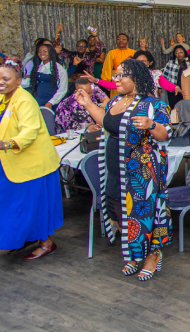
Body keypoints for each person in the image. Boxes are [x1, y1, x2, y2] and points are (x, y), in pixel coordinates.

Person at [76, 58, 172, 280]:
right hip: (114, 168)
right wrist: (88, 104)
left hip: (141, 173)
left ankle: (152, 255)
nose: (116, 80)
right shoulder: (114, 101)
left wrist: (151, 125)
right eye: (115, 75)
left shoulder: (153, 104)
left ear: (136, 78)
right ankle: (135, 253)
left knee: (142, 215)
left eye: (121, 76)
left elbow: (165, 135)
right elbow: (108, 123)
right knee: (118, 211)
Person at [0, 57, 63, 261]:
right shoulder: (4, 99)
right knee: (12, 205)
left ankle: (46, 243)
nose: (1, 82)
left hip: (33, 165)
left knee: (33, 206)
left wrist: (5, 144)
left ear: (18, 81)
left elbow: (29, 132)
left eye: (6, 79)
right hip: (11, 163)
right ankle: (25, 238)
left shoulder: (25, 100)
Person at [82, 50, 172, 97]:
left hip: (150, 105)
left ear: (149, 63)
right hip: (132, 105)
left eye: (143, 61)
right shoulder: (129, 75)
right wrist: (96, 80)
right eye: (138, 61)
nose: (140, 64)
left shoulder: (155, 74)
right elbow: (113, 84)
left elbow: (167, 85)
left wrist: (176, 88)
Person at [22, 43, 68, 110]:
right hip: (39, 100)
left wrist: (51, 102)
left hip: (52, 102)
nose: (42, 53)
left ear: (51, 53)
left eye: (45, 51)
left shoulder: (59, 69)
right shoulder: (38, 67)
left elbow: (63, 89)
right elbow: (31, 82)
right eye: (40, 51)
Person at [101, 33, 135, 97]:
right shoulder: (112, 52)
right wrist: (106, 81)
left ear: (127, 42)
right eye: (118, 39)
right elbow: (107, 67)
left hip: (130, 78)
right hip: (117, 79)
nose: (121, 40)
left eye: (123, 39)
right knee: (117, 98)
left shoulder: (133, 52)